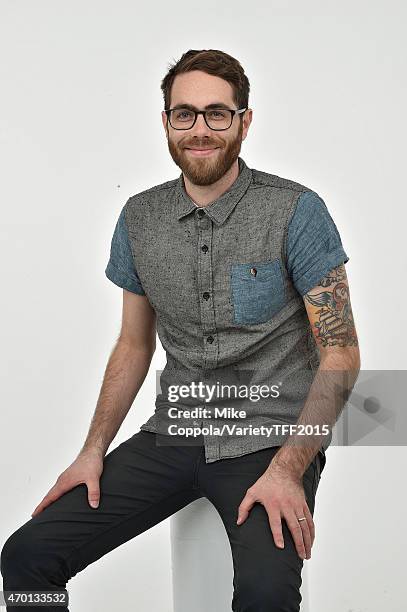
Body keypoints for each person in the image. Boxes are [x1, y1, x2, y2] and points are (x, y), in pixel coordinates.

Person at [1, 49, 360, 611]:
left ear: (244, 121)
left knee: (267, 594)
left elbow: (341, 355)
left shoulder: (296, 210)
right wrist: (92, 450)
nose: (200, 129)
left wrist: (290, 468)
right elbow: (133, 344)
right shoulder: (139, 219)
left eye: (217, 114)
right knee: (25, 558)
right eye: (184, 114)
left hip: (268, 441)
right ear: (166, 122)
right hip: (174, 433)